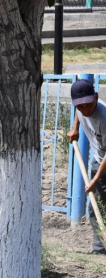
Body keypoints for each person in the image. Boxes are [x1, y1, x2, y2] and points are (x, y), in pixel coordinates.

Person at [67, 79, 106, 255]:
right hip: (99, 160)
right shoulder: (81, 106)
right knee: (95, 206)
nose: (85, 110)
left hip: (103, 160)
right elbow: (78, 111)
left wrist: (95, 179)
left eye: (88, 105)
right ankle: (100, 249)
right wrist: (75, 128)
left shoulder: (103, 118)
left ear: (96, 98)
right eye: (80, 106)